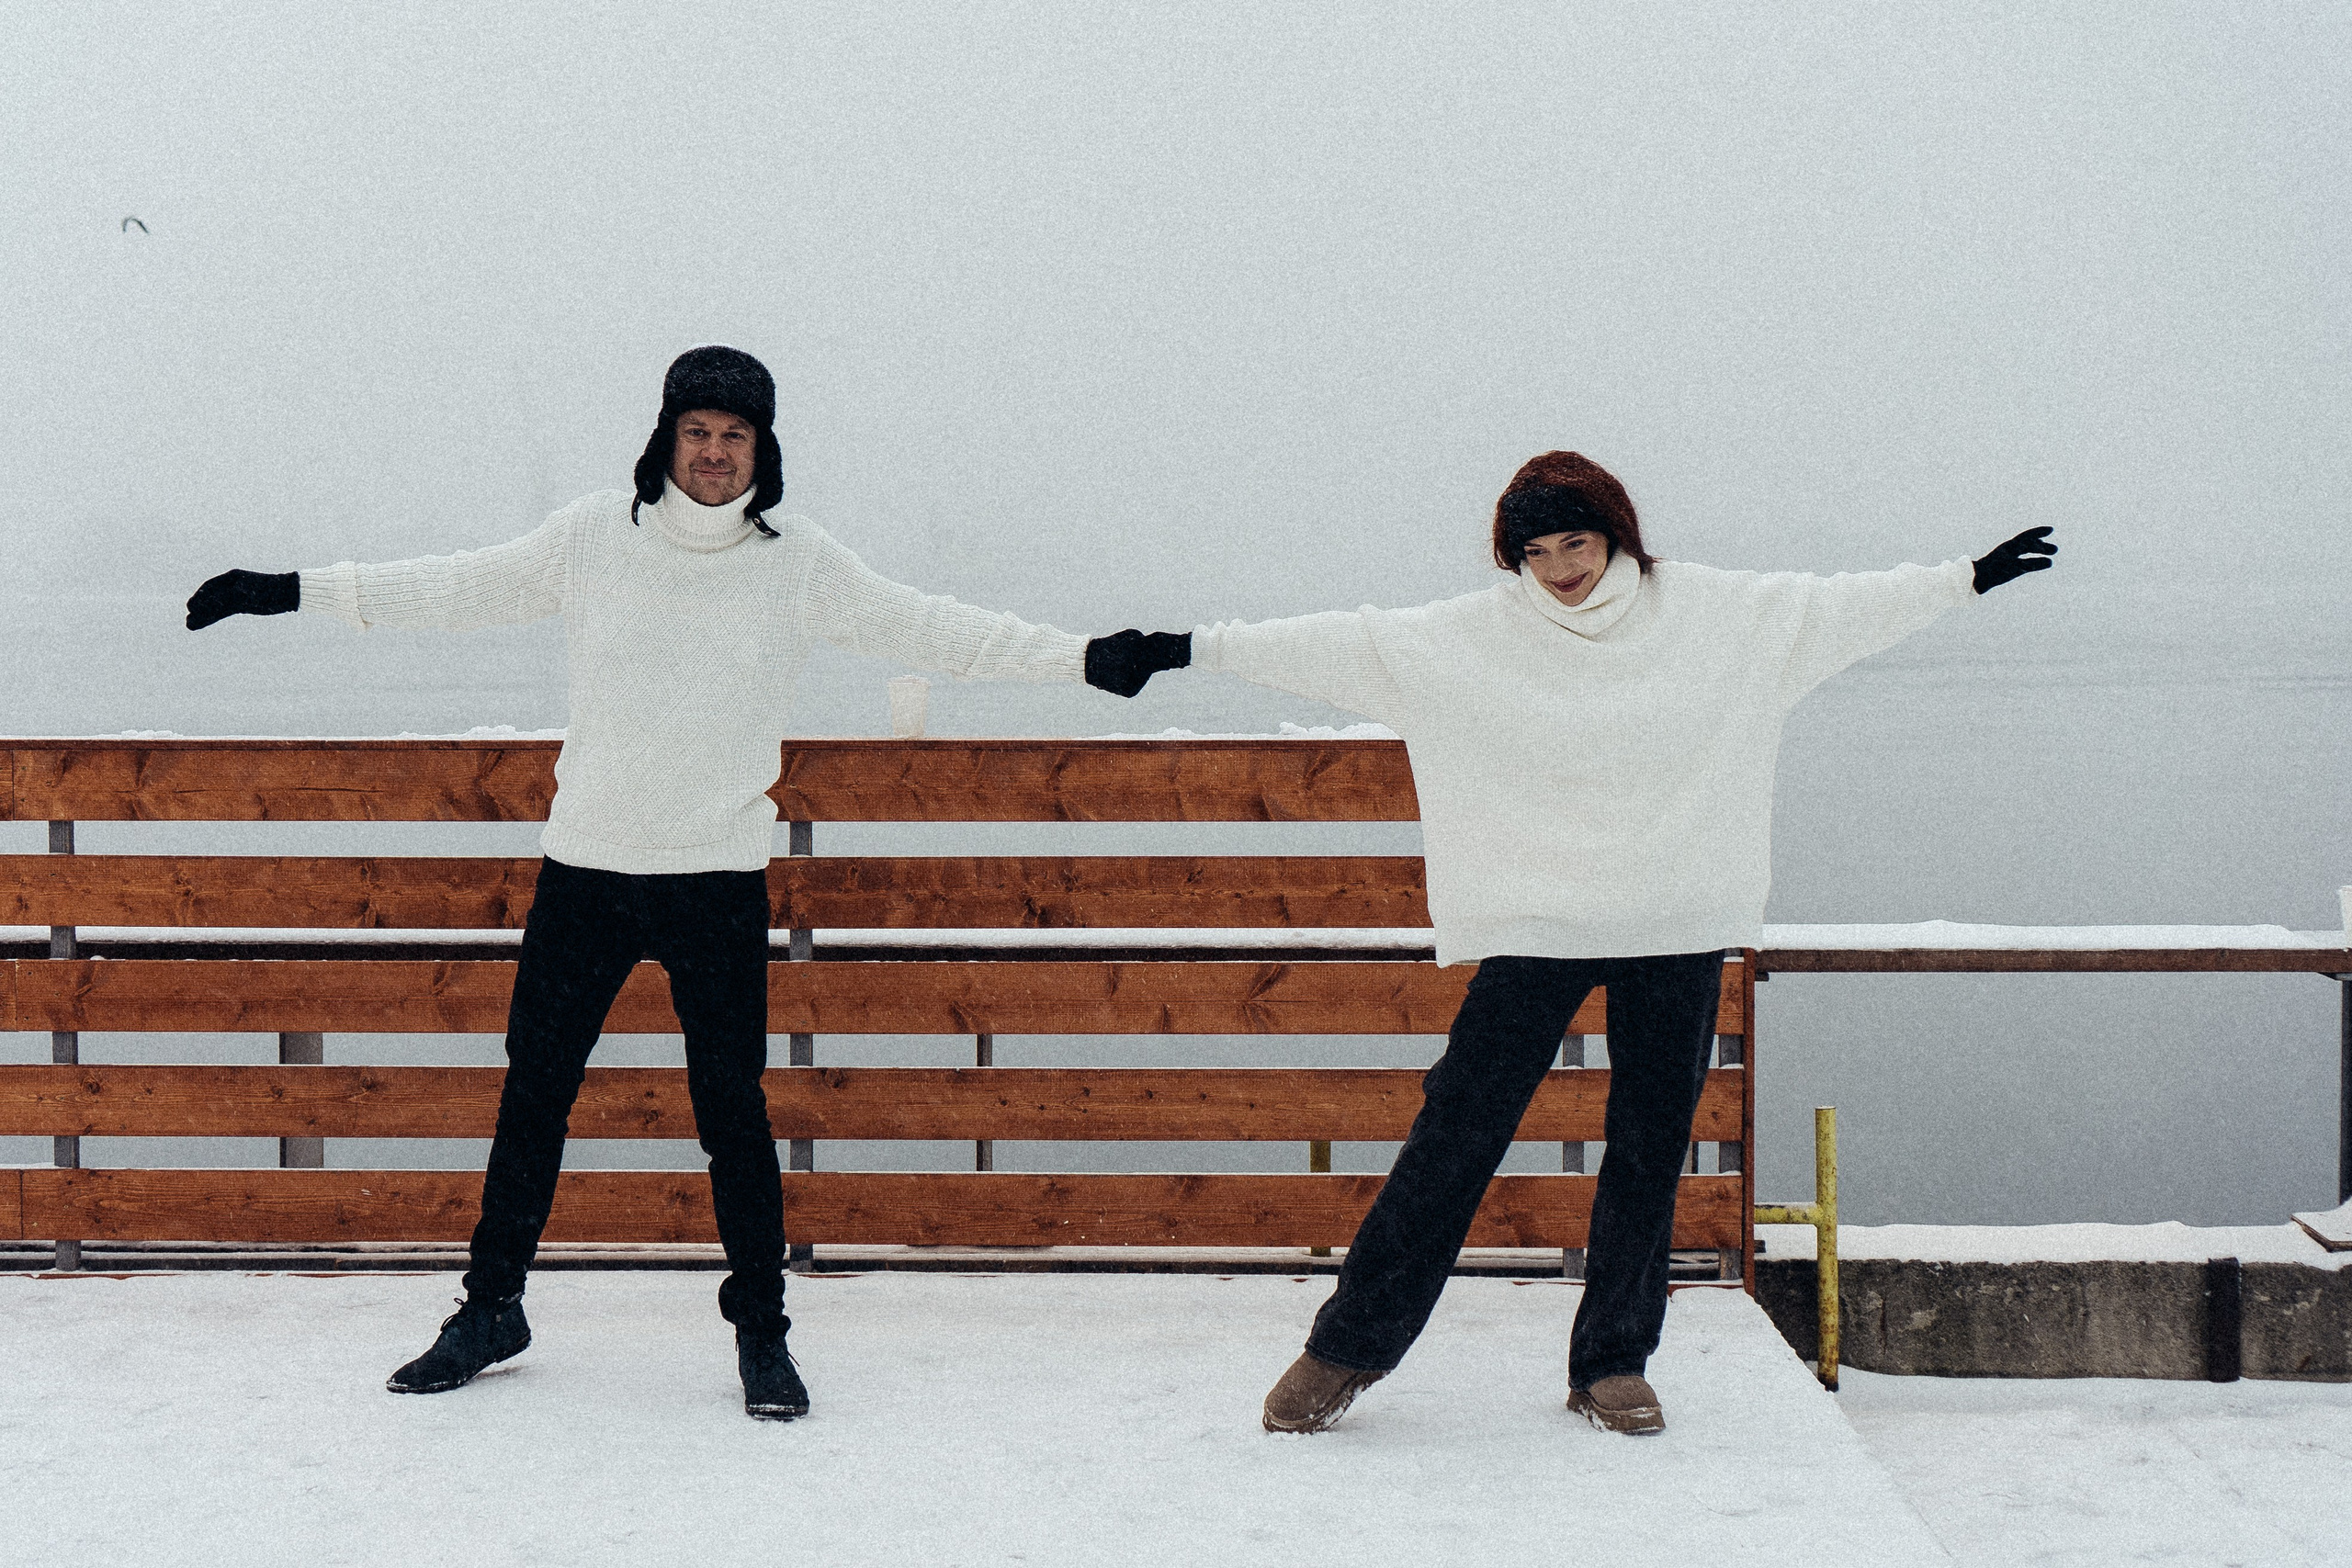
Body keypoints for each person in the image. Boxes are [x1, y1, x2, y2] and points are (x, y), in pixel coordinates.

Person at [185, 345, 1182, 1420]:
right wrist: (287, 590)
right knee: (534, 1098)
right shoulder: (588, 539)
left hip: (714, 879)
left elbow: (933, 627)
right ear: (666, 438)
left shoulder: (798, 561)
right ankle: (491, 1309)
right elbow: (450, 585)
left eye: (734, 437)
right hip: (588, 872)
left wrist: (1080, 657)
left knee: (731, 1115)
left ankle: (763, 1331)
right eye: (697, 433)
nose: (713, 454)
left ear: (763, 449)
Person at [1102, 450, 2055, 1436]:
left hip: (1675, 920)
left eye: (1578, 543)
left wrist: (1964, 579)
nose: (1561, 569)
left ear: (1616, 537)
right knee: (1456, 1132)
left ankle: (1611, 1363)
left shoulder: (1714, 616)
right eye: (1537, 550)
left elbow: (1836, 608)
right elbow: (1335, 644)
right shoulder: (1478, 634)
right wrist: (1181, 648)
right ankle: (1346, 1347)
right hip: (1538, 922)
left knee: (1648, 1146)